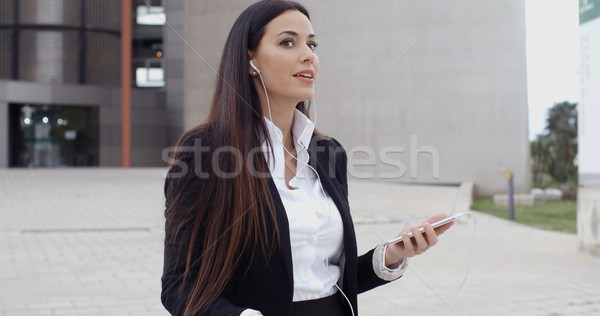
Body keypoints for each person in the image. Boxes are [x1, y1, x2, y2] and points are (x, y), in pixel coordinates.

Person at [161, 1, 454, 315]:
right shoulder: (204, 152)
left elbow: (325, 278)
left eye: (312, 44)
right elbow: (179, 287)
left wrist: (391, 253)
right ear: (250, 60)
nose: (308, 54)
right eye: (288, 42)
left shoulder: (328, 153)